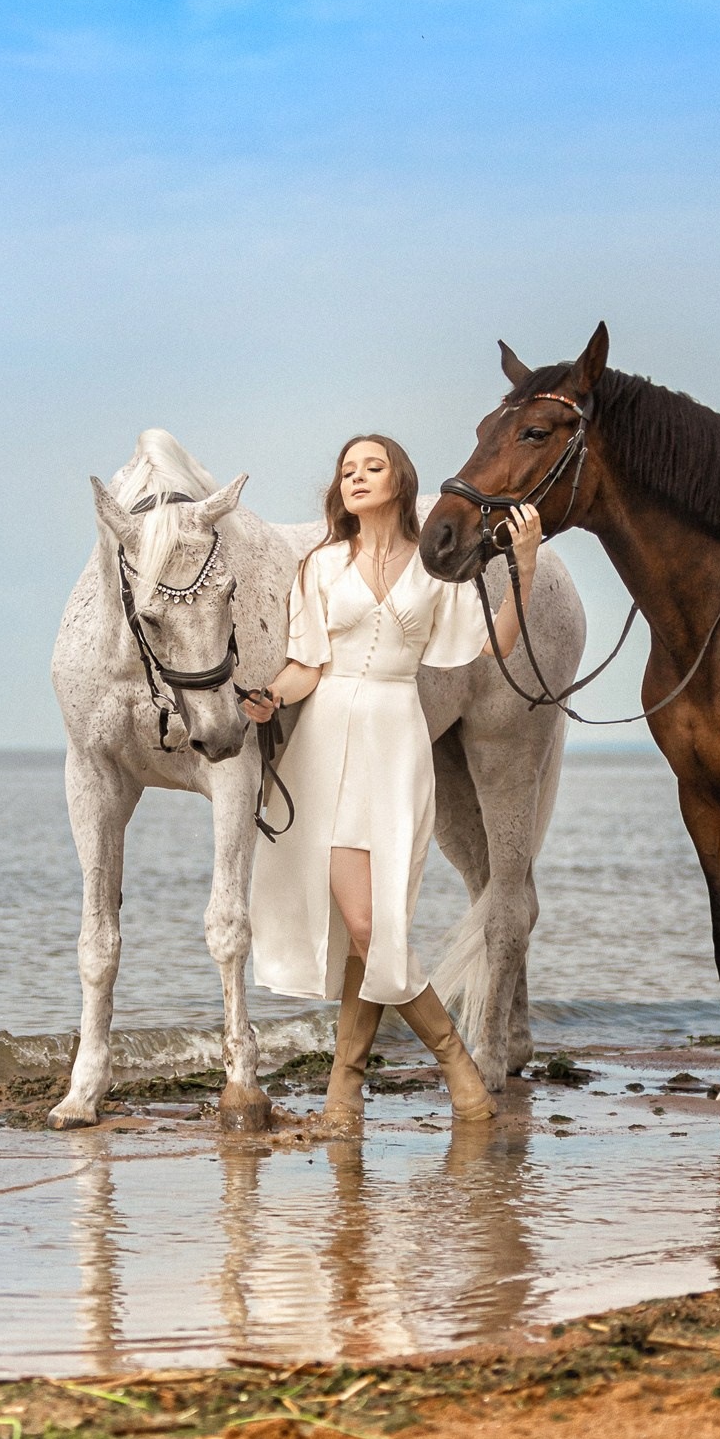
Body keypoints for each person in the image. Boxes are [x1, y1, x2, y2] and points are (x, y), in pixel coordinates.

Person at [241, 434, 542, 1131]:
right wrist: (269, 698)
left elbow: (492, 645)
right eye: (347, 469)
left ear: (401, 481)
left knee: (376, 930)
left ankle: (344, 1095)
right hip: (324, 744)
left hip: (397, 740)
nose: (356, 477)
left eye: (371, 467)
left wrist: (522, 566)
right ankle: (456, 1072)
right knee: (365, 926)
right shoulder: (319, 566)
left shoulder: (438, 571)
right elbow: (305, 665)